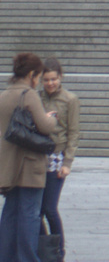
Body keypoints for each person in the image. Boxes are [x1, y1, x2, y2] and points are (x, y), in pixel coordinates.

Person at [0, 52, 57, 262]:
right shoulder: (29, 94)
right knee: (29, 215)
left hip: (9, 165)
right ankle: (27, 257)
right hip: (29, 166)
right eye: (39, 76)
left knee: (10, 214)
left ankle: (6, 256)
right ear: (32, 74)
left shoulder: (4, 94)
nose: (39, 81)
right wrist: (52, 118)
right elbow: (43, 125)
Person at [35, 59, 78, 260]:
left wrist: (68, 163)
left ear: (60, 77)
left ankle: (58, 250)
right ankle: (45, 246)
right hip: (38, 157)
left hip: (57, 157)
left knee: (49, 208)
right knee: (36, 210)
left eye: (53, 79)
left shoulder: (70, 99)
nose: (50, 83)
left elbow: (73, 133)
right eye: (46, 80)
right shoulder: (37, 98)